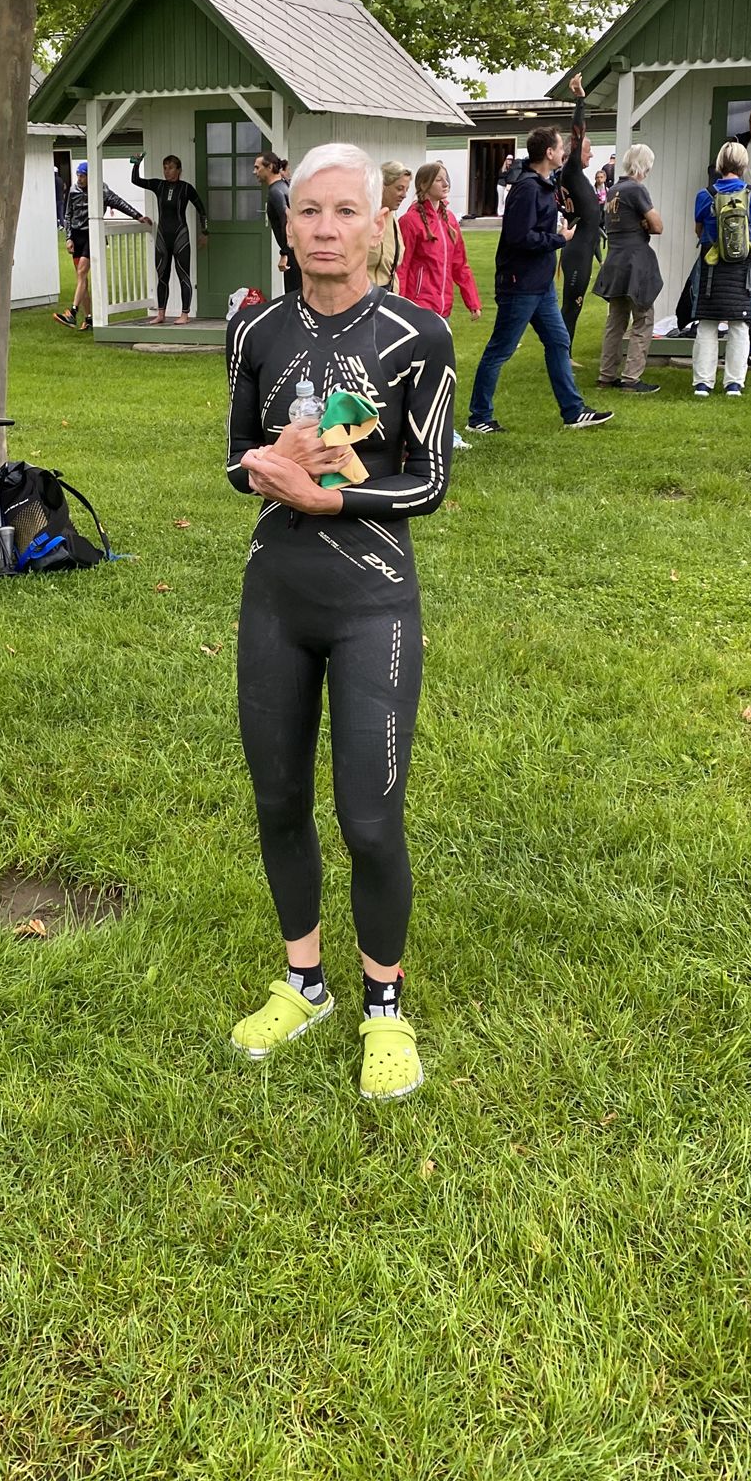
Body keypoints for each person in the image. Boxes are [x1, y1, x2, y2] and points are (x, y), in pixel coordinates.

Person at [225, 141, 456, 1102]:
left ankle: (384, 1007)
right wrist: (267, 463)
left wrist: (334, 500)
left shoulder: (417, 336)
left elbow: (430, 481)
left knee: (368, 817)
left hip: (373, 604)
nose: (325, 229)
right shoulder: (255, 331)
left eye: (345, 212)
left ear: (377, 225)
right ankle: (305, 983)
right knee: (278, 800)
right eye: (309, 211)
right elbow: (234, 459)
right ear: (289, 225)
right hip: (277, 597)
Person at [465, 125, 614, 433]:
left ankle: (573, 411)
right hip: (520, 283)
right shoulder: (528, 189)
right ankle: (479, 417)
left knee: (558, 341)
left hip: (540, 284)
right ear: (549, 153)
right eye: (560, 148)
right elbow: (519, 237)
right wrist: (559, 239)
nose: (563, 153)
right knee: (501, 349)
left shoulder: (543, 185)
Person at [691, 142, 751, 397]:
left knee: (707, 323)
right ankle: (734, 383)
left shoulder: (705, 194)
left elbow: (699, 230)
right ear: (744, 165)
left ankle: (703, 383)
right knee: (739, 324)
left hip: (711, 264)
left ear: (720, 164)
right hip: (741, 266)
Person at [593, 144, 664, 392]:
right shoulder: (636, 189)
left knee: (616, 321)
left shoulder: (613, 190)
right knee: (643, 319)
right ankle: (631, 379)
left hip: (614, 260)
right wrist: (645, 223)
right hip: (635, 261)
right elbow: (657, 226)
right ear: (646, 165)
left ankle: (606, 375)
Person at [54, 162, 147, 331]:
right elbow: (68, 215)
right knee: (82, 279)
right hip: (77, 236)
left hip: (92, 235)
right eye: (78, 175)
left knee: (82, 272)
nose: (79, 179)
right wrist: (68, 238)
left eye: (83, 176)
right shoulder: (73, 190)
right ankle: (89, 318)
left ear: (91, 176)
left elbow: (119, 203)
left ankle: (72, 313)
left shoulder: (101, 190)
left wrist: (138, 216)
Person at [130, 153, 207, 325]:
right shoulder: (159, 185)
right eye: (165, 168)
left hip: (180, 236)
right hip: (163, 237)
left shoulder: (186, 188)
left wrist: (205, 232)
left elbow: (202, 210)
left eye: (171, 168)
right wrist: (136, 163)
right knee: (162, 276)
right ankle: (161, 314)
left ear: (179, 170)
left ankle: (185, 314)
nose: (167, 171)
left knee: (183, 276)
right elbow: (136, 180)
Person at [397, 163, 480, 321]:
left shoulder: (450, 220)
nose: (446, 184)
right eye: (438, 180)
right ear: (424, 185)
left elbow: (460, 265)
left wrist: (472, 301)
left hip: (444, 309)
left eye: (446, 179)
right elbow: (402, 266)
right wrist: (399, 306)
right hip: (418, 308)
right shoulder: (409, 221)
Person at [557, 73, 604, 346]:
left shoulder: (575, 178)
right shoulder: (572, 170)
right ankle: (563, 354)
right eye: (589, 149)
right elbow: (577, 134)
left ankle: (565, 352)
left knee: (575, 304)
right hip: (577, 250)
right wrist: (580, 100)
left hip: (582, 246)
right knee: (571, 305)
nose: (591, 154)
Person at [256, 151, 298, 294]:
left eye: (257, 167)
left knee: (294, 295)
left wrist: (284, 253)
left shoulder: (275, 191)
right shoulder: (284, 185)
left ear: (269, 167)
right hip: (297, 249)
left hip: (293, 251)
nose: (254, 172)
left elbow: (287, 218)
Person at [369, 162, 409, 290]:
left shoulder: (393, 220)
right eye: (399, 188)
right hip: (359, 296)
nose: (404, 195)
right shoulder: (360, 216)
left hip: (387, 295)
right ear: (382, 186)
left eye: (406, 190)